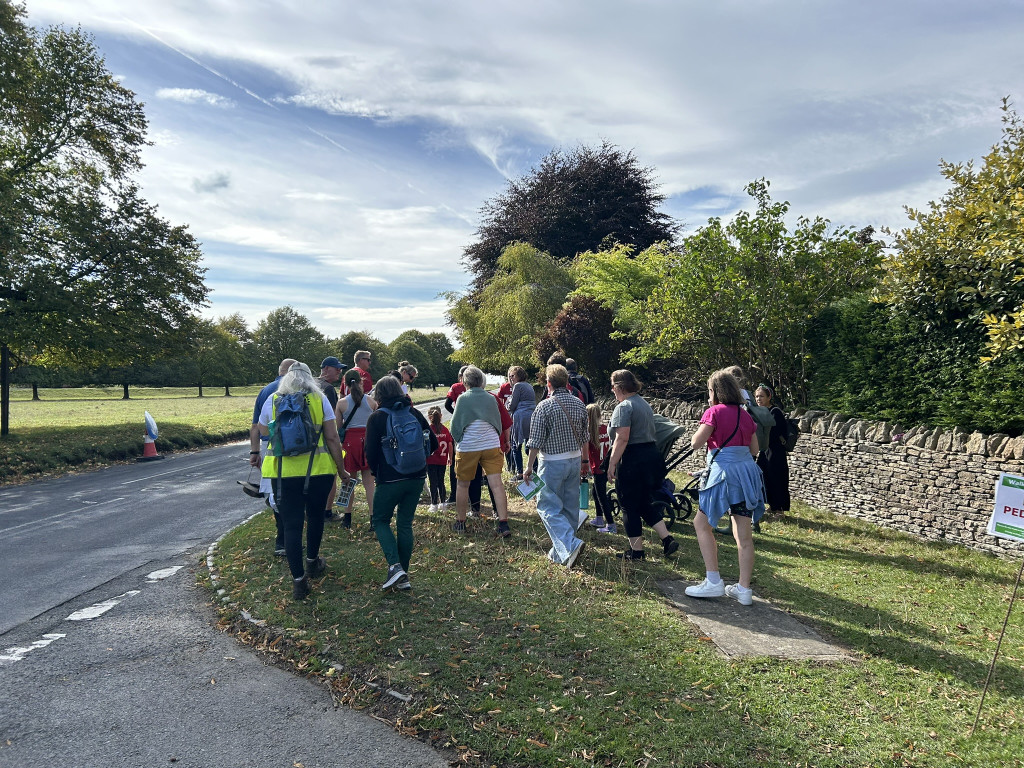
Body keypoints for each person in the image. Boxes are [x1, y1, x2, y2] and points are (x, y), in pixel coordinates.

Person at [258, 362, 350, 600]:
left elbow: (262, 430)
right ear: (310, 378)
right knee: (316, 516)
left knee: (291, 524)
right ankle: (312, 562)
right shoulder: (319, 400)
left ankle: (298, 581)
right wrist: (341, 470)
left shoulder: (274, 400)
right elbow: (331, 438)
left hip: (282, 474)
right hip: (318, 471)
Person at [685, 369, 766, 607]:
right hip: (745, 476)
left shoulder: (714, 412)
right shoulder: (746, 415)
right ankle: (743, 589)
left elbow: (695, 442)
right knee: (743, 534)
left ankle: (713, 580)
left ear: (715, 392)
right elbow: (754, 450)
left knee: (701, 524)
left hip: (722, 475)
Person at [364, 374, 438, 590]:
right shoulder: (414, 412)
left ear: (378, 394)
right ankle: (402, 574)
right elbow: (432, 443)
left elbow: (371, 453)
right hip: (416, 476)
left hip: (389, 479)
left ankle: (395, 567)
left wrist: (378, 473)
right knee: (405, 523)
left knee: (380, 520)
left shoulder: (377, 417)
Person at [605, 369, 679, 560]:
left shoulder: (624, 407)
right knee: (644, 501)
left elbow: (622, 439)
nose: (612, 390)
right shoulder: (643, 403)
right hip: (650, 456)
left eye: (613, 386)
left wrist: (612, 464)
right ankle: (667, 539)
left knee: (628, 505)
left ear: (619, 387)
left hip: (632, 459)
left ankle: (636, 551)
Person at [524, 364, 589, 568]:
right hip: (575, 459)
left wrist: (528, 467)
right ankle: (560, 553)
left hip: (552, 461)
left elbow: (535, 441)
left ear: (548, 383)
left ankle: (569, 545)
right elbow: (585, 437)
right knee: (570, 506)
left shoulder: (544, 406)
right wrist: (584, 461)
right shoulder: (579, 404)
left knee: (547, 506)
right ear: (567, 382)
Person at [449, 365, 513, 538]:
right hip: (491, 444)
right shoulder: (492, 398)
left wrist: (458, 441)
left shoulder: (462, 398)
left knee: (463, 484)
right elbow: (499, 422)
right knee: (496, 484)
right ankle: (503, 523)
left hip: (469, 446)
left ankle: (461, 522)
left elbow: (455, 427)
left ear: (464, 381)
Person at [249, 357, 296, 556]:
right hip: (294, 449)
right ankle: (289, 540)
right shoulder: (295, 388)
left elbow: (255, 426)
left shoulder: (265, 392)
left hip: (271, 448)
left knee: (276, 495)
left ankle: (281, 540)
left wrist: (254, 452)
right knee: (293, 496)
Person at [335, 368, 377, 529]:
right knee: (369, 483)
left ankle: (347, 517)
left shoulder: (341, 403)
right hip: (367, 441)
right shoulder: (371, 402)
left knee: (348, 481)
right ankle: (373, 518)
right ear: (361, 382)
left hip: (350, 444)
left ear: (345, 384)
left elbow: (339, 428)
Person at [754, 383, 790, 516]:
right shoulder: (761, 412)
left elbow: (774, 433)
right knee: (762, 476)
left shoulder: (775, 412)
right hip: (765, 450)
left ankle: (779, 509)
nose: (759, 399)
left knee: (776, 478)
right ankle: (772, 504)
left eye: (762, 396)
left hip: (775, 451)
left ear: (769, 397)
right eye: (757, 397)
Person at [318, 356, 346, 522]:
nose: (339, 372)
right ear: (326, 368)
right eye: (337, 368)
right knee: (331, 475)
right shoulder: (328, 389)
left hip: (310, 440)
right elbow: (332, 419)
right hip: (325, 439)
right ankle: (327, 512)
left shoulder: (312, 384)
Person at [584, 403, 615, 533]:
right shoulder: (605, 428)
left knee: (601, 496)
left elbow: (586, 452)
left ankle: (611, 524)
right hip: (607, 465)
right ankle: (599, 518)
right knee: (595, 492)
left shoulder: (589, 432)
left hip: (598, 468)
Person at [507, 366, 536, 481]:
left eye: (513, 375)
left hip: (520, 417)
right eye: (509, 376)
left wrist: (508, 405)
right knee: (529, 445)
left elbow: (512, 405)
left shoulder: (518, 386)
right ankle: (535, 469)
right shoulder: (529, 385)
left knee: (515, 445)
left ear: (519, 375)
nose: (511, 378)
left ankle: (519, 473)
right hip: (531, 416)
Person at [425, 406, 454, 512]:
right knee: (441, 481)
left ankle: (434, 504)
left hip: (431, 460)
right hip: (442, 459)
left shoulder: (428, 430)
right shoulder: (445, 430)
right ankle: (443, 503)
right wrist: (450, 458)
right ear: (441, 416)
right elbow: (450, 444)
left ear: (429, 417)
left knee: (433, 482)